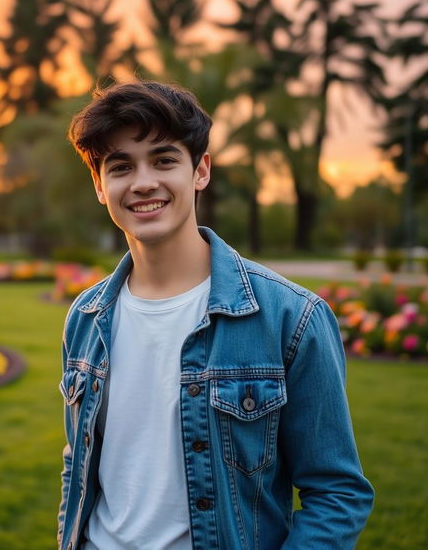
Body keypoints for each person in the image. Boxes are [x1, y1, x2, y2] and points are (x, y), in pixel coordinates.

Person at [57, 80, 374, 550]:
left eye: (164, 160)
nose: (144, 182)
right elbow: (78, 464)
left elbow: (336, 492)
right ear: (100, 186)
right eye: (121, 166)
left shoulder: (292, 317)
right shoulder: (86, 316)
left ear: (200, 170)